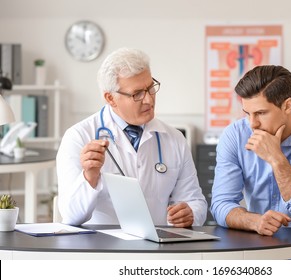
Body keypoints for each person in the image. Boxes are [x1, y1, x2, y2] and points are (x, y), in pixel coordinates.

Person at [56, 47, 207, 227]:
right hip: (102, 249)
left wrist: (190, 213)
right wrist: (90, 177)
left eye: (151, 88)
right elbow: (70, 216)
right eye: (137, 94)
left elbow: (195, 201)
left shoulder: (174, 139)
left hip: (157, 249)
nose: (149, 100)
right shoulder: (79, 137)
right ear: (110, 98)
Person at [210, 65, 291, 259]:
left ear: (287, 105)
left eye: (261, 113)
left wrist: (277, 159)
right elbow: (221, 204)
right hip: (258, 252)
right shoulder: (234, 135)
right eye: (247, 113)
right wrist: (254, 221)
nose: (252, 124)